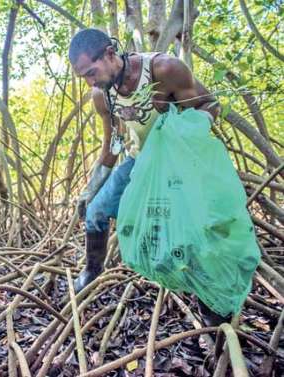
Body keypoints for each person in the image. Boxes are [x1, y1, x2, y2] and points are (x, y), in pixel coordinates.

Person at [68, 29, 224, 323]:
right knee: (96, 212)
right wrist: (90, 190)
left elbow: (211, 105)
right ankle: (91, 271)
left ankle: (210, 300)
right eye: (83, 77)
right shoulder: (102, 95)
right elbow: (112, 144)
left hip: (180, 161)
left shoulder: (163, 69)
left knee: (190, 227)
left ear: (110, 54)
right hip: (140, 160)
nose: (90, 82)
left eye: (91, 72)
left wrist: (185, 133)